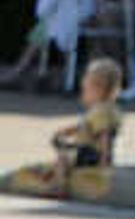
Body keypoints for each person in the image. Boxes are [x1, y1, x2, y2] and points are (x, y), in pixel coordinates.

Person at [3, 60, 128, 202]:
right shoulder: (107, 109)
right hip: (90, 151)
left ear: (97, 89)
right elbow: (84, 126)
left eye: (86, 90)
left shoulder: (102, 111)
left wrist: (105, 161)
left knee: (64, 158)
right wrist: (66, 131)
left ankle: (59, 186)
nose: (84, 95)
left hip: (91, 153)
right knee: (66, 154)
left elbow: (105, 136)